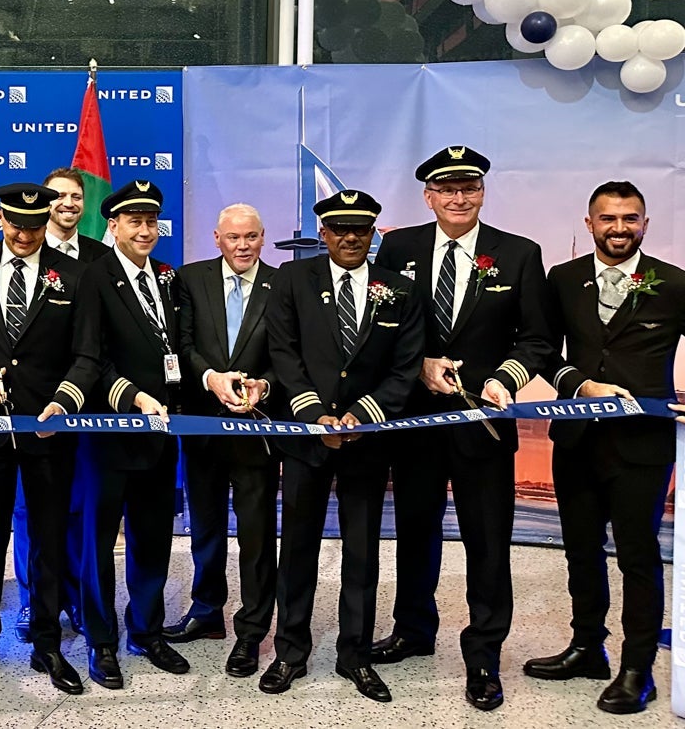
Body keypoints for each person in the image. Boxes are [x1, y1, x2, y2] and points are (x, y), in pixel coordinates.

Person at [370, 147, 556, 712]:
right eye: (447, 189)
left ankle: (483, 654)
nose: (459, 198)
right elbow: (381, 328)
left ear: (482, 192)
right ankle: (412, 630)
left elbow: (538, 339)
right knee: (415, 530)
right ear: (428, 196)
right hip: (416, 422)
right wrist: (419, 364)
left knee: (488, 539)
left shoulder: (519, 253)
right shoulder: (398, 249)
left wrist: (503, 379)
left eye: (468, 188)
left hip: (485, 424)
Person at [525, 181, 684, 716]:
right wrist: (579, 384)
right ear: (590, 223)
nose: (620, 228)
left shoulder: (674, 283)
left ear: (645, 224)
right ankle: (587, 648)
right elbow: (544, 350)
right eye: (609, 219)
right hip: (576, 440)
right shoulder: (563, 278)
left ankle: (638, 670)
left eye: (630, 219)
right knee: (581, 550)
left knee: (638, 557)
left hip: (643, 447)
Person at [260, 190, 424, 703]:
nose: (350, 237)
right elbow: (282, 352)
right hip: (306, 440)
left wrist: (363, 415)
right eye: (340, 229)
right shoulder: (292, 279)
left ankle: (355, 655)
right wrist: (314, 415)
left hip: (366, 441)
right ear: (324, 233)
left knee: (362, 552)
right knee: (297, 549)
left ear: (373, 234)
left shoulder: (400, 288)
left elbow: (406, 366)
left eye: (361, 229)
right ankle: (290, 652)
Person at [39, 180, 186, 690]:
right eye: (134, 221)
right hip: (109, 435)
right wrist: (134, 397)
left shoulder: (167, 277)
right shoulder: (93, 276)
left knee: (153, 539)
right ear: (114, 225)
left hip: (161, 435)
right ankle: (102, 641)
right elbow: (90, 357)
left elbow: (178, 348)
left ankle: (146, 631)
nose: (145, 230)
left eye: (151, 221)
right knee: (98, 543)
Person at [0, 183, 84, 695]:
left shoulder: (73, 273)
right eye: (16, 224)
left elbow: (86, 352)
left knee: (49, 541)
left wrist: (65, 400)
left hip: (49, 430)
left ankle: (48, 644)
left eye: (34, 226)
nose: (25, 235)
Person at [169, 204, 279, 677]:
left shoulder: (281, 285)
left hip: (256, 432)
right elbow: (181, 345)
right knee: (206, 526)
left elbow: (290, 354)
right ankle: (206, 610)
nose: (242, 246)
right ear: (217, 238)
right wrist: (211, 378)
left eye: (251, 236)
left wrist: (265, 386)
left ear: (262, 237)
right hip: (202, 427)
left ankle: (252, 630)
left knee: (256, 534)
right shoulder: (190, 280)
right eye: (233, 237)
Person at [9, 166, 102, 643]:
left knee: (76, 510)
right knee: (28, 511)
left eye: (75, 196)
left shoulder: (100, 258)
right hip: (27, 411)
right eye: (58, 196)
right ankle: (33, 599)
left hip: (82, 406)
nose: (67, 203)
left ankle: (77, 597)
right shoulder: (20, 255)